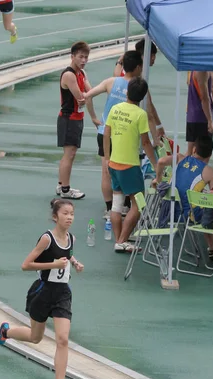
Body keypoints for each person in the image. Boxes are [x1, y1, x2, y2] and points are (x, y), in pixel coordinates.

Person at [0, 198, 84, 379]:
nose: (69, 217)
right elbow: (26, 265)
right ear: (55, 216)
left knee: (62, 339)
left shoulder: (72, 239)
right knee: (36, 338)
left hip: (63, 294)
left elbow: (67, 255)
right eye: (65, 214)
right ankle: (5, 332)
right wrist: (53, 265)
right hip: (42, 292)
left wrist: (75, 263)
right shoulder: (46, 239)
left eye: (72, 214)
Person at [85, 50, 143, 217]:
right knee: (125, 168)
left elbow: (87, 96)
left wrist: (94, 118)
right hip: (124, 135)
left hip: (105, 132)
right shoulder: (138, 86)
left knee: (106, 170)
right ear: (138, 67)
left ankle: (110, 208)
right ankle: (124, 205)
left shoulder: (111, 82)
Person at [103, 77, 157, 252]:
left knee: (117, 205)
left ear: (127, 92)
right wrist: (156, 166)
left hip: (113, 163)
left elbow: (106, 134)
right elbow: (146, 143)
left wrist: (106, 158)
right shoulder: (140, 114)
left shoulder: (115, 109)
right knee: (138, 204)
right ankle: (122, 239)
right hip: (130, 166)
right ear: (142, 98)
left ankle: (119, 240)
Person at [154, 136, 213, 260]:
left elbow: (161, 161)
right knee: (209, 209)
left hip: (169, 211)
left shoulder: (180, 158)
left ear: (194, 149)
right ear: (210, 154)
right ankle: (212, 249)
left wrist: (158, 179)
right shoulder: (209, 172)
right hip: (189, 215)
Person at [56, 41, 92, 200]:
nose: (84, 60)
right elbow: (81, 98)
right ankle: (65, 189)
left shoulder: (81, 74)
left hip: (77, 118)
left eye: (86, 57)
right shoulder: (69, 75)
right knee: (69, 154)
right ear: (72, 56)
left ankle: (61, 184)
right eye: (81, 57)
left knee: (70, 154)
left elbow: (89, 92)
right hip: (68, 119)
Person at [186, 71, 213, 155]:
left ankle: (176, 165)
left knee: (190, 152)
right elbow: (205, 97)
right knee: (203, 154)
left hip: (192, 115)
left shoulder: (191, 69)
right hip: (202, 116)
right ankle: (168, 161)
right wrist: (210, 121)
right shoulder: (203, 71)